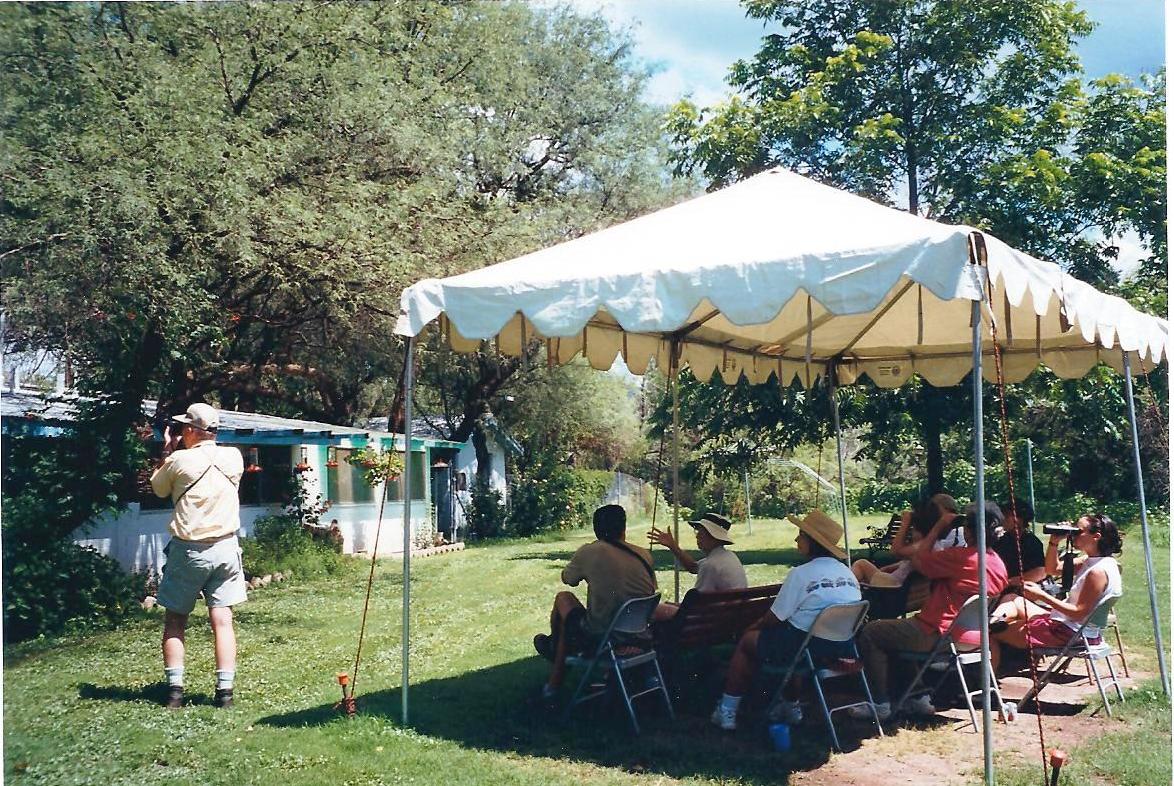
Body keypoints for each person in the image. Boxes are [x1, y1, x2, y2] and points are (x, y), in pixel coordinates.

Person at [850, 501, 1008, 721]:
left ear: (969, 531)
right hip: (975, 636)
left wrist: (937, 528)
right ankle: (918, 697)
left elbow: (920, 559)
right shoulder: (998, 563)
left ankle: (880, 704)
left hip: (939, 633)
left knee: (872, 632)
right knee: (897, 634)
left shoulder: (961, 558)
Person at [710, 510, 860, 731]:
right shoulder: (847, 573)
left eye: (800, 535)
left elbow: (774, 618)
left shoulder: (800, 574)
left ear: (812, 542)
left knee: (749, 642)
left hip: (806, 647)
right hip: (840, 648)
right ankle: (791, 706)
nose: (796, 539)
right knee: (796, 637)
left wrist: (751, 628)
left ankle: (727, 710)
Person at [149, 403, 246, 709]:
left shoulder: (179, 460)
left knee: (176, 618)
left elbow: (158, 489)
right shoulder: (234, 457)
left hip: (189, 549)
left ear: (190, 430)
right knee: (222, 619)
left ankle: (175, 692)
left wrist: (166, 452)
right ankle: (224, 692)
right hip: (227, 548)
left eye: (182, 428)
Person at [532, 504, 657, 705]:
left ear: (596, 529)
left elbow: (568, 579)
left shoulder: (590, 551)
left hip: (603, 636)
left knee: (563, 599)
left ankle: (555, 653)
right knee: (576, 616)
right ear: (623, 528)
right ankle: (555, 662)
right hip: (640, 635)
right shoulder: (644, 554)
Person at [990, 513, 1122, 663]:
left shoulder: (1097, 572)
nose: (1073, 535)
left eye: (1078, 531)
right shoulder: (1101, 562)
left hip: (1070, 633)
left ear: (1096, 536)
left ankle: (988, 680)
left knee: (991, 633)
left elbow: (1078, 613)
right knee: (1012, 599)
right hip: (1071, 625)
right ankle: (994, 621)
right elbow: (1052, 569)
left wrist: (1041, 595)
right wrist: (1054, 542)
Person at [850, 493, 964, 587]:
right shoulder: (934, 545)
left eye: (913, 529)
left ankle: (848, 590)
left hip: (893, 588)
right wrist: (890, 567)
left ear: (921, 530)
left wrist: (905, 524)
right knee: (866, 572)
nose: (911, 533)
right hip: (900, 588)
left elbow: (895, 551)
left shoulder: (922, 546)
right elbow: (909, 563)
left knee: (861, 564)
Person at [648, 512, 747, 619]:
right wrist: (673, 546)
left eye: (703, 532)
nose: (697, 535)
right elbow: (693, 567)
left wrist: (678, 606)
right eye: (698, 530)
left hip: (711, 620)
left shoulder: (710, 565)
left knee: (654, 609)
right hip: (730, 615)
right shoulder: (728, 556)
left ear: (715, 538)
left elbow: (697, 604)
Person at [991, 499, 1046, 590]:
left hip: (1024, 591)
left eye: (1006, 515)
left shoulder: (1032, 542)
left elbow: (1040, 572)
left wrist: (1010, 582)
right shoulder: (1001, 540)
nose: (1003, 518)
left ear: (1018, 519)